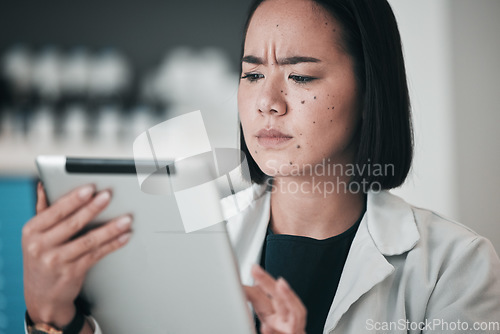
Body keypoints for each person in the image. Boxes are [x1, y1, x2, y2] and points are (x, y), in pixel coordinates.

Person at [22, 0, 500, 333]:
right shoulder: (185, 239)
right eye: (251, 74)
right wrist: (52, 316)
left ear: (371, 88)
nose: (267, 103)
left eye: (300, 75)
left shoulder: (455, 266)